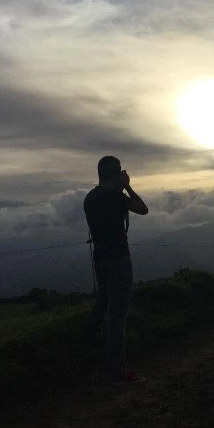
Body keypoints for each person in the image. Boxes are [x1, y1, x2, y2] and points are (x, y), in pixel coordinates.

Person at [84, 156, 149, 385]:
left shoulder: (90, 198)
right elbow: (143, 209)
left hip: (99, 257)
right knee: (118, 316)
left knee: (103, 301)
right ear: (116, 173)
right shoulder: (115, 197)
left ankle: (87, 344)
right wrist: (127, 186)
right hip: (118, 258)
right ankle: (118, 371)